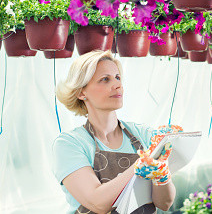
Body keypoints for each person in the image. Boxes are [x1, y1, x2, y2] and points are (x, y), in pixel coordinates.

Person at [52, 50, 176, 213]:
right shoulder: (70, 144)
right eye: (105, 79)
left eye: (118, 77)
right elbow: (98, 203)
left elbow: (164, 203)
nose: (118, 85)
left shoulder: (144, 134)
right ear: (81, 92)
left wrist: (162, 175)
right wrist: (139, 166)